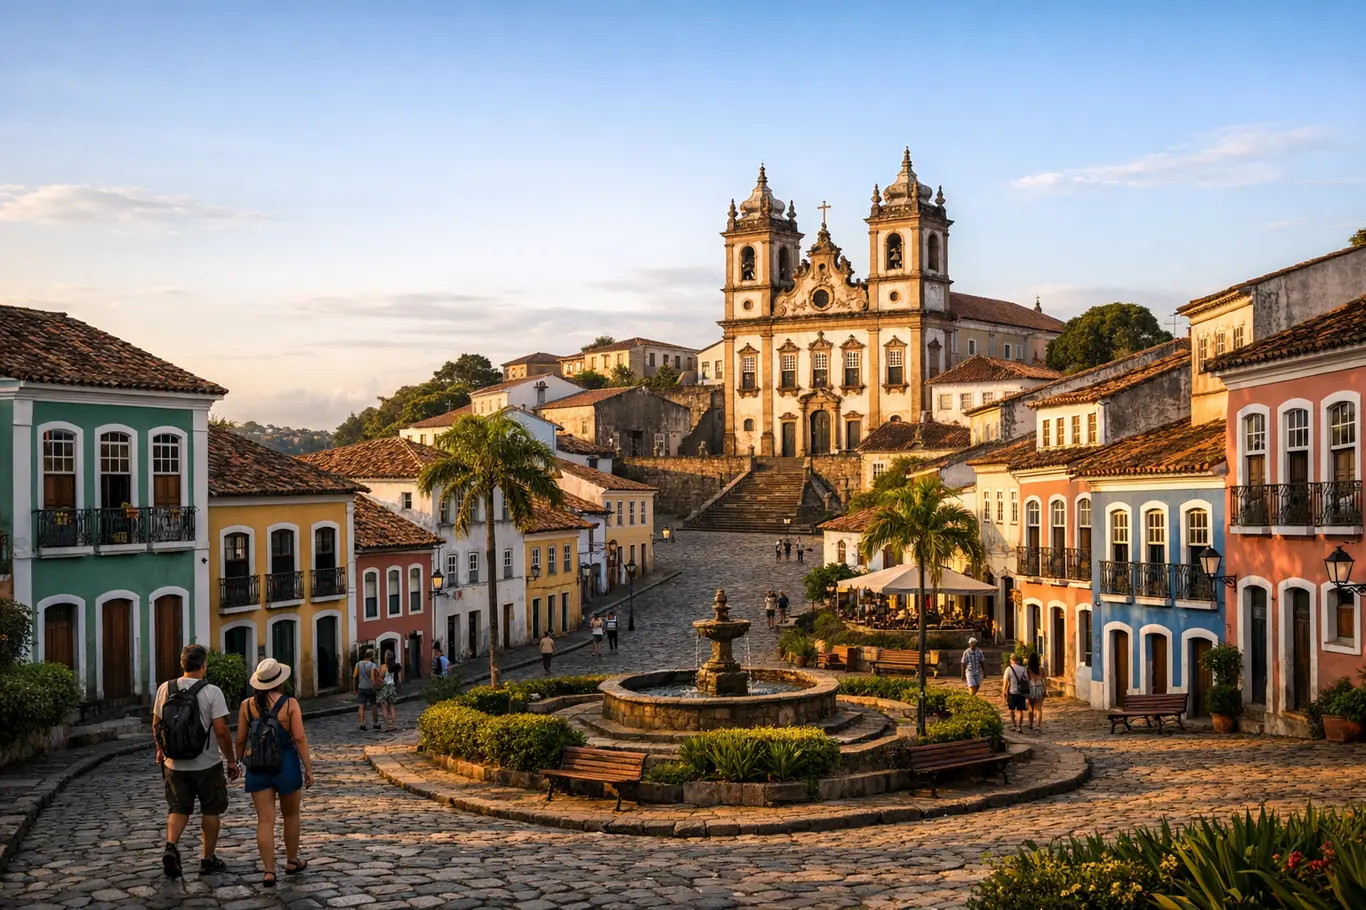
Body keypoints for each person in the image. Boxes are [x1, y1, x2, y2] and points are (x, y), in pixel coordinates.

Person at [153, 644, 237, 879]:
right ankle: (207, 859)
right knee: (211, 808)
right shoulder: (212, 692)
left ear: (182, 664)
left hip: (174, 764)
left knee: (178, 808)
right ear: (204, 665)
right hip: (206, 763)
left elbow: (156, 724)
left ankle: (171, 846)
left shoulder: (164, 689)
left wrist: (161, 749)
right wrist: (231, 761)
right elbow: (221, 731)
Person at [234, 658, 314, 888]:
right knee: (291, 816)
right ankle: (291, 861)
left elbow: (240, 739)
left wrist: (238, 762)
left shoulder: (246, 706)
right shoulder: (290, 704)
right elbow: (299, 737)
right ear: (280, 681)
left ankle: (269, 871)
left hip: (258, 766)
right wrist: (308, 767)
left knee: (265, 821)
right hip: (286, 764)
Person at [1001, 653, 1030, 733]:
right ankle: (1019, 727)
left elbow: (1005, 682)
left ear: (1011, 660)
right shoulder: (1023, 668)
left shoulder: (1008, 669)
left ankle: (1014, 724)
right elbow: (1026, 679)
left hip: (1012, 691)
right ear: (1017, 660)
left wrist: (1004, 691)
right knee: (1020, 710)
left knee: (1012, 709)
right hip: (1021, 692)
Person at [353, 647, 381, 732]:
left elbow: (354, 677)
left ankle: (362, 723)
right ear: (372, 656)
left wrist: (354, 688)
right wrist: (375, 686)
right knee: (373, 705)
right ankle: (375, 723)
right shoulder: (373, 665)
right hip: (370, 687)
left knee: (361, 705)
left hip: (361, 687)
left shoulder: (358, 664)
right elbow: (373, 677)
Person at [377, 650, 401, 733]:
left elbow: (380, 677)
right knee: (391, 706)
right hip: (392, 687)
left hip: (385, 687)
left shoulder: (384, 667)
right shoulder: (394, 667)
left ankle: (386, 725)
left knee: (384, 707)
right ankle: (394, 725)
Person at [1026, 652, 1048, 731]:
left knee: (1030, 709)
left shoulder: (1027, 670)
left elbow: (1026, 680)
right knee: (1039, 709)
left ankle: (1030, 724)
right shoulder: (1041, 669)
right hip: (1039, 688)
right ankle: (1038, 726)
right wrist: (1045, 691)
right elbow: (1044, 680)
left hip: (1031, 689)